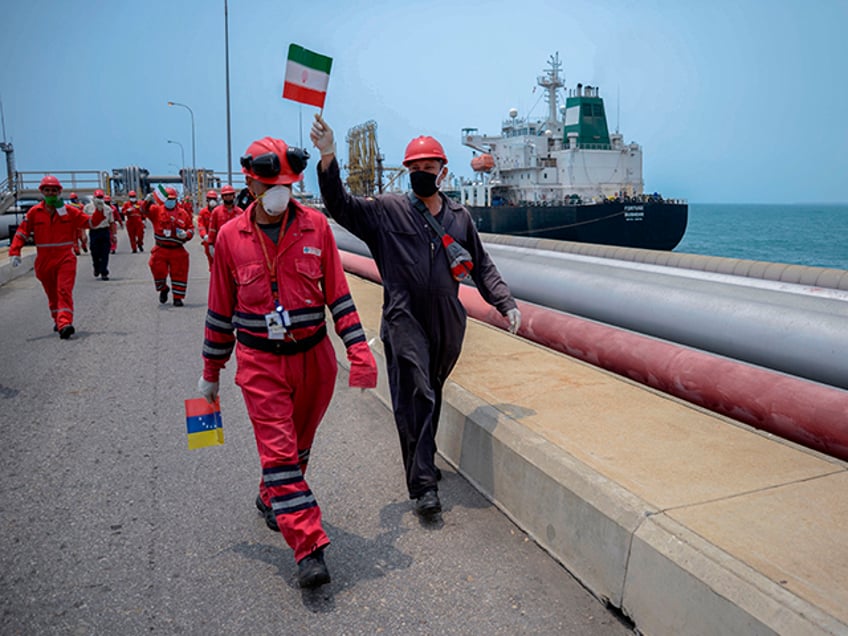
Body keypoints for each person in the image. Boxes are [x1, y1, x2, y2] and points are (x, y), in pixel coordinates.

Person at [311, 114, 521, 518]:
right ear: (406, 172)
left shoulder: (459, 217)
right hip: (403, 313)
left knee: (432, 390)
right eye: (415, 169)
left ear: (442, 172)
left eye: (429, 168)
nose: (422, 174)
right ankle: (423, 484)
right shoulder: (387, 211)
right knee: (416, 393)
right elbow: (340, 205)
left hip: (446, 318)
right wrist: (328, 157)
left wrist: (505, 301)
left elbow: (481, 264)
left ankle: (423, 457)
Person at [197, 136, 377, 589]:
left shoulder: (316, 228)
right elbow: (220, 311)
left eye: (288, 185)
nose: (281, 193)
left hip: (316, 360)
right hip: (261, 363)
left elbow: (338, 294)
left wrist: (358, 351)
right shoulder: (229, 238)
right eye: (272, 184)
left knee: (297, 445)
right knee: (279, 452)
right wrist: (210, 374)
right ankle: (309, 545)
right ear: (252, 184)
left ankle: (271, 493)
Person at [8, 175, 92, 339]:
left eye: (54, 190)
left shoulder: (69, 211)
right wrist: (15, 251)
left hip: (65, 258)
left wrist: (101, 211)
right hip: (44, 261)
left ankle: (65, 323)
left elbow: (89, 223)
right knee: (52, 294)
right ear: (42, 192)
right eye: (47, 190)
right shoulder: (34, 212)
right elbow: (22, 232)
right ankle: (58, 319)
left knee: (63, 290)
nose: (51, 193)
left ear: (59, 192)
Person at [142, 186, 194, 306]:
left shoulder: (183, 214)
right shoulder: (156, 210)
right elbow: (144, 211)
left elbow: (191, 228)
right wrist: (147, 201)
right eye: (168, 199)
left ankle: (178, 297)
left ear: (176, 200)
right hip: (161, 248)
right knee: (157, 269)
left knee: (179, 273)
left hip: (177, 248)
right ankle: (163, 288)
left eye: (173, 199)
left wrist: (186, 234)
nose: (170, 201)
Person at [85, 189, 114, 280]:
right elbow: (83, 221)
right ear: (94, 198)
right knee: (95, 252)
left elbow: (111, 222)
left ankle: (104, 272)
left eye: (101, 197)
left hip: (104, 231)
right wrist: (83, 234)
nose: (99, 199)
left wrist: (113, 236)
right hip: (94, 232)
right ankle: (96, 267)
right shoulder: (88, 208)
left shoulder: (108, 209)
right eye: (98, 197)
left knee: (105, 252)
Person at [206, 184, 243, 250]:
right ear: (222, 197)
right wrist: (210, 244)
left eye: (230, 195)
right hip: (221, 245)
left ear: (233, 196)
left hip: (236, 245)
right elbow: (212, 229)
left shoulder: (240, 212)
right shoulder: (216, 211)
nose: (228, 197)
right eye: (226, 195)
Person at [196, 189, 218, 270]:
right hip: (208, 240)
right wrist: (204, 235)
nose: (212, 201)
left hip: (219, 239)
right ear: (207, 200)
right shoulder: (203, 212)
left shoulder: (220, 211)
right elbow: (201, 225)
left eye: (214, 199)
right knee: (212, 262)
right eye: (210, 199)